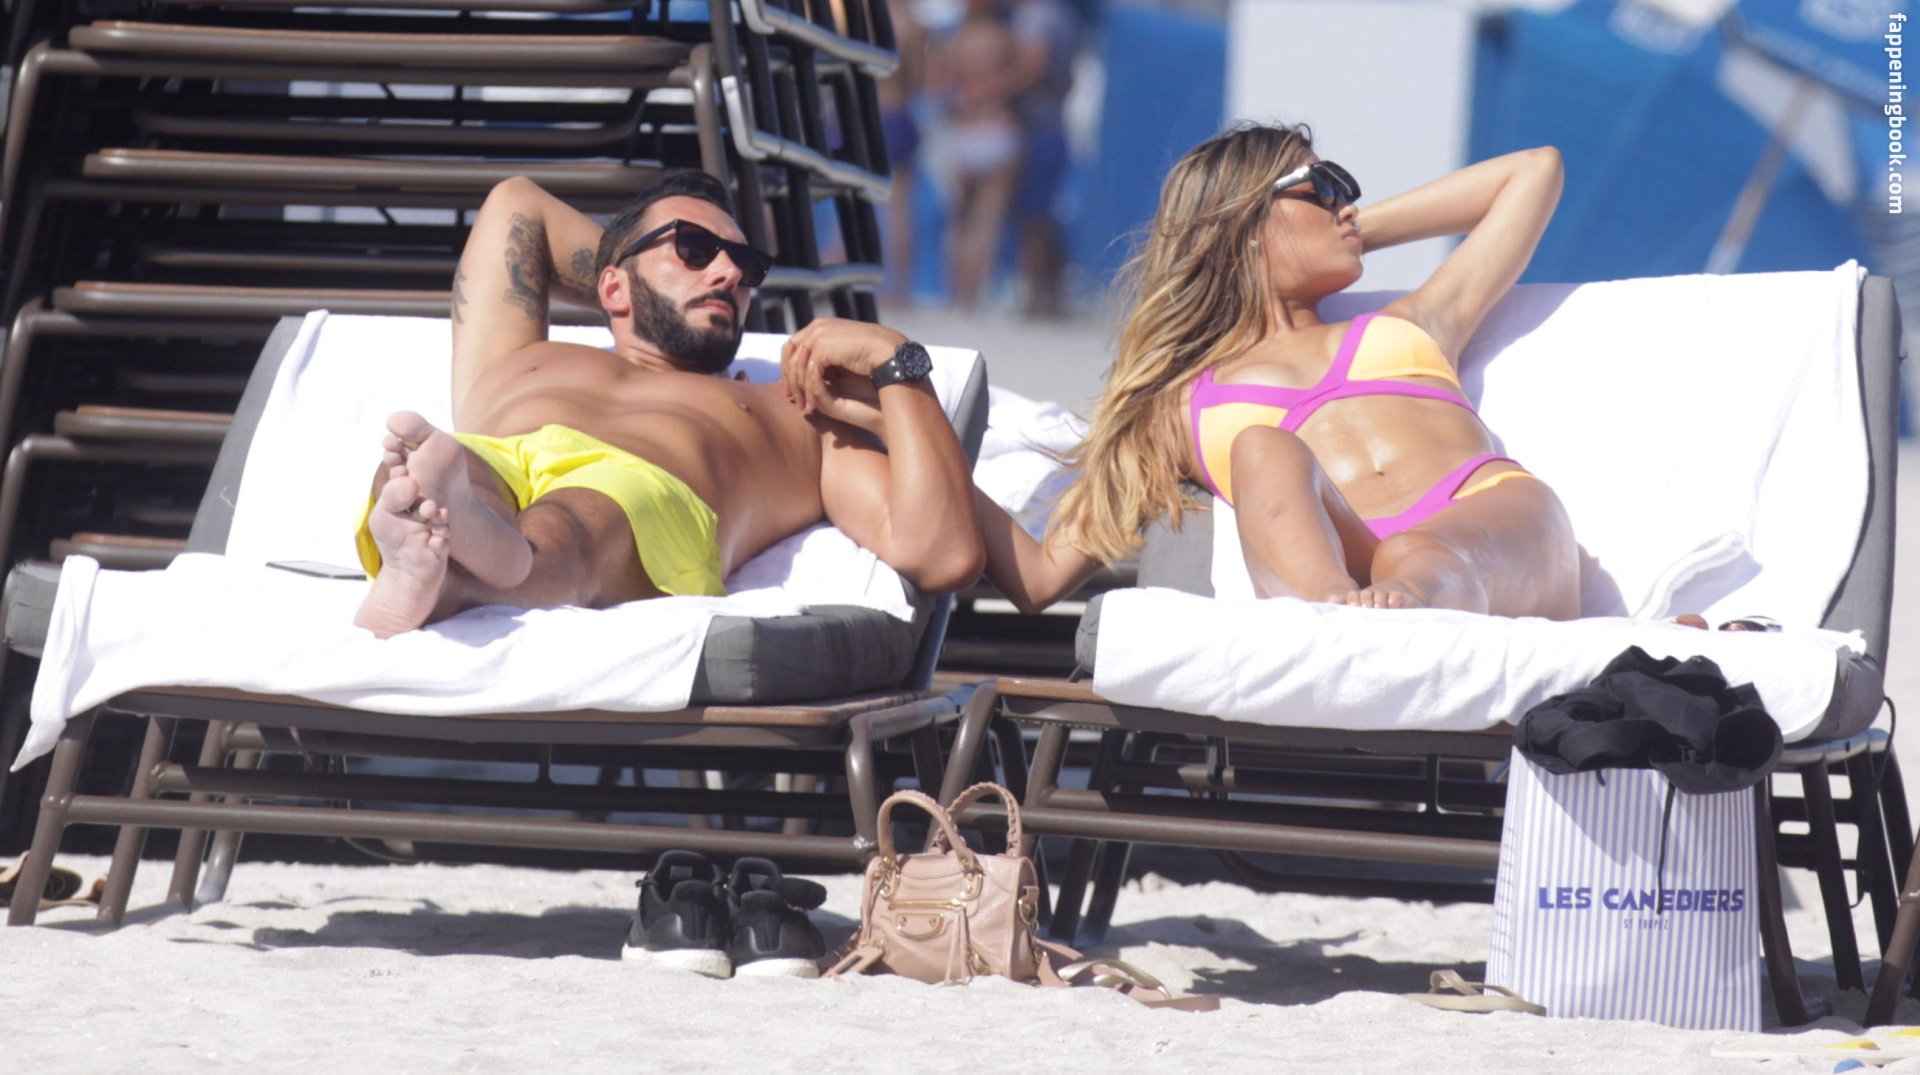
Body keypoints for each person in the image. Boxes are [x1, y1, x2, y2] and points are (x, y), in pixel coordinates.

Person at [974, 122, 1581, 620]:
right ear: (1242, 220)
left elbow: (1535, 170)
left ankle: (1385, 617)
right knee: (1262, 448)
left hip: (1493, 525)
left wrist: (1350, 230)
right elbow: (1039, 576)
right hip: (1362, 579)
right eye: (1323, 185)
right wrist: (934, 431)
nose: (1347, 203)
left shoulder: (1415, 323)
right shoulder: (1176, 409)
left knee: (1418, 553)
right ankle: (1328, 613)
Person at [352, 170, 985, 638]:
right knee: (437, 468)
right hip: (499, 452)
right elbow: (517, 203)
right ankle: (451, 546)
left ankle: (457, 575)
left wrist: (896, 362)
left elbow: (944, 555)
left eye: (746, 265)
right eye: (694, 248)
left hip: (643, 488)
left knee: (581, 520)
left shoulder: (795, 411)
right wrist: (631, 279)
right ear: (611, 285)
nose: (729, 274)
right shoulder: (517, 356)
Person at [929, 0, 1024, 311]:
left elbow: (936, 87)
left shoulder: (955, 41)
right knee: (986, 222)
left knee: (959, 220)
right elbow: (1022, 78)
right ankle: (971, 297)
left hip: (964, 132)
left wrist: (964, 98)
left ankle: (955, 294)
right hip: (997, 128)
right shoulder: (1004, 37)